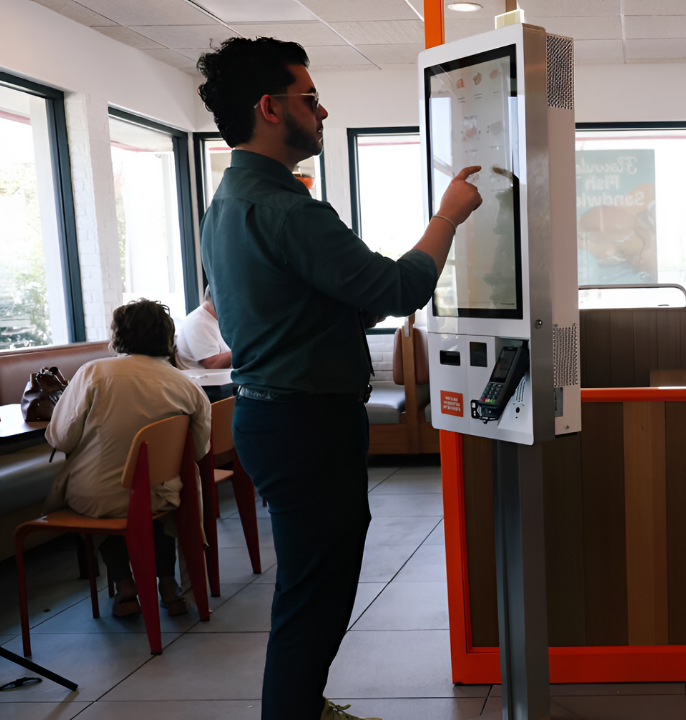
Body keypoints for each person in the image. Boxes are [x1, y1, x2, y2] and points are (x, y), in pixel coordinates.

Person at [196, 38, 482, 720]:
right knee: (313, 595)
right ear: (270, 108)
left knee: (310, 586)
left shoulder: (229, 201)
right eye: (310, 98)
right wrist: (448, 216)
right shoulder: (288, 210)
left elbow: (325, 302)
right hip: (306, 424)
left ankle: (303, 705)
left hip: (274, 417)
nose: (322, 112)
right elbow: (398, 288)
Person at [45, 299, 211, 617]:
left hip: (96, 495)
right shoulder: (186, 385)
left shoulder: (93, 373)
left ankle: (124, 587)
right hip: (160, 495)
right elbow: (200, 450)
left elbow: (60, 438)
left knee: (105, 502)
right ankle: (168, 585)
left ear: (118, 335)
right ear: (168, 337)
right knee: (154, 501)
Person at [176, 286, 231, 369]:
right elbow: (212, 364)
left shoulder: (217, 318)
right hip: (206, 376)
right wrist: (245, 350)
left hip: (220, 374)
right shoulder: (199, 322)